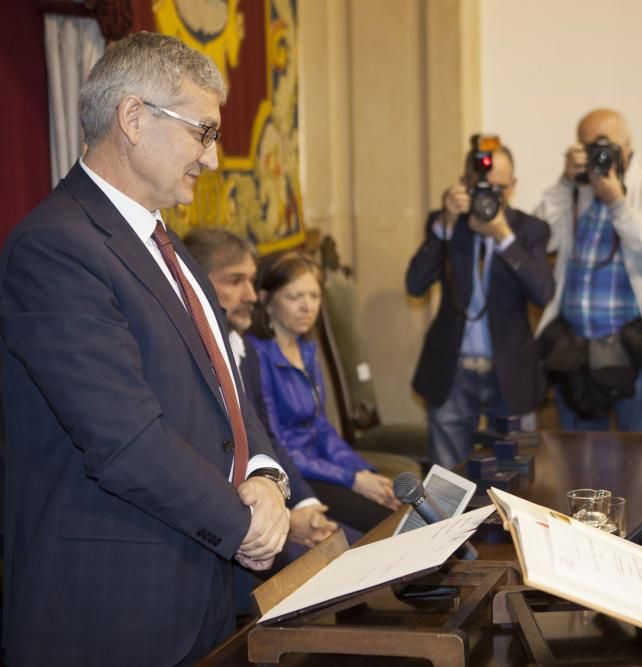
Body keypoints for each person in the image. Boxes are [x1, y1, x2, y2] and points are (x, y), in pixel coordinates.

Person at [0, 32, 290, 664]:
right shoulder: (55, 248)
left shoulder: (166, 243)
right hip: (111, 607)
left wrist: (266, 477)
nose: (211, 159)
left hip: (198, 587)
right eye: (202, 132)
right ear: (133, 118)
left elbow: (226, 394)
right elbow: (124, 440)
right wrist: (243, 526)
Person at [183, 227, 341, 548]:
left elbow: (266, 438)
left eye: (251, 281)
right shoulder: (184, 356)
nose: (251, 295)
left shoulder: (244, 349)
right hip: (223, 522)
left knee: (344, 547)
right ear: (193, 280)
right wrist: (279, 517)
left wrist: (303, 505)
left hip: (270, 498)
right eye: (234, 280)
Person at [406, 141, 554, 468]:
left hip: (512, 372)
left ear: (513, 187)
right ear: (464, 184)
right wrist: (444, 223)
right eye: (481, 186)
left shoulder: (530, 230)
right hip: (453, 370)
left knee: (519, 477)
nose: (490, 195)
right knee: (448, 482)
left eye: (499, 188)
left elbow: (543, 293)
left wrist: (503, 236)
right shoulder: (447, 224)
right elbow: (415, 284)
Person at [534, 108, 642, 431]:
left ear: (627, 146)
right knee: (578, 463)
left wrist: (618, 203)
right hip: (576, 351)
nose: (597, 153)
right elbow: (541, 240)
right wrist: (563, 182)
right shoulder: (575, 188)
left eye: (605, 143)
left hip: (634, 346)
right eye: (588, 145)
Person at [246, 251, 401, 520]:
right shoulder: (254, 356)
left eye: (314, 296)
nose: (308, 307)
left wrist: (362, 472)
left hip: (321, 466)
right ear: (266, 300)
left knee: (393, 503)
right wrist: (350, 478)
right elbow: (275, 443)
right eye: (295, 297)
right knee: (380, 519)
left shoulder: (306, 350)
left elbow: (322, 427)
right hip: (290, 475)